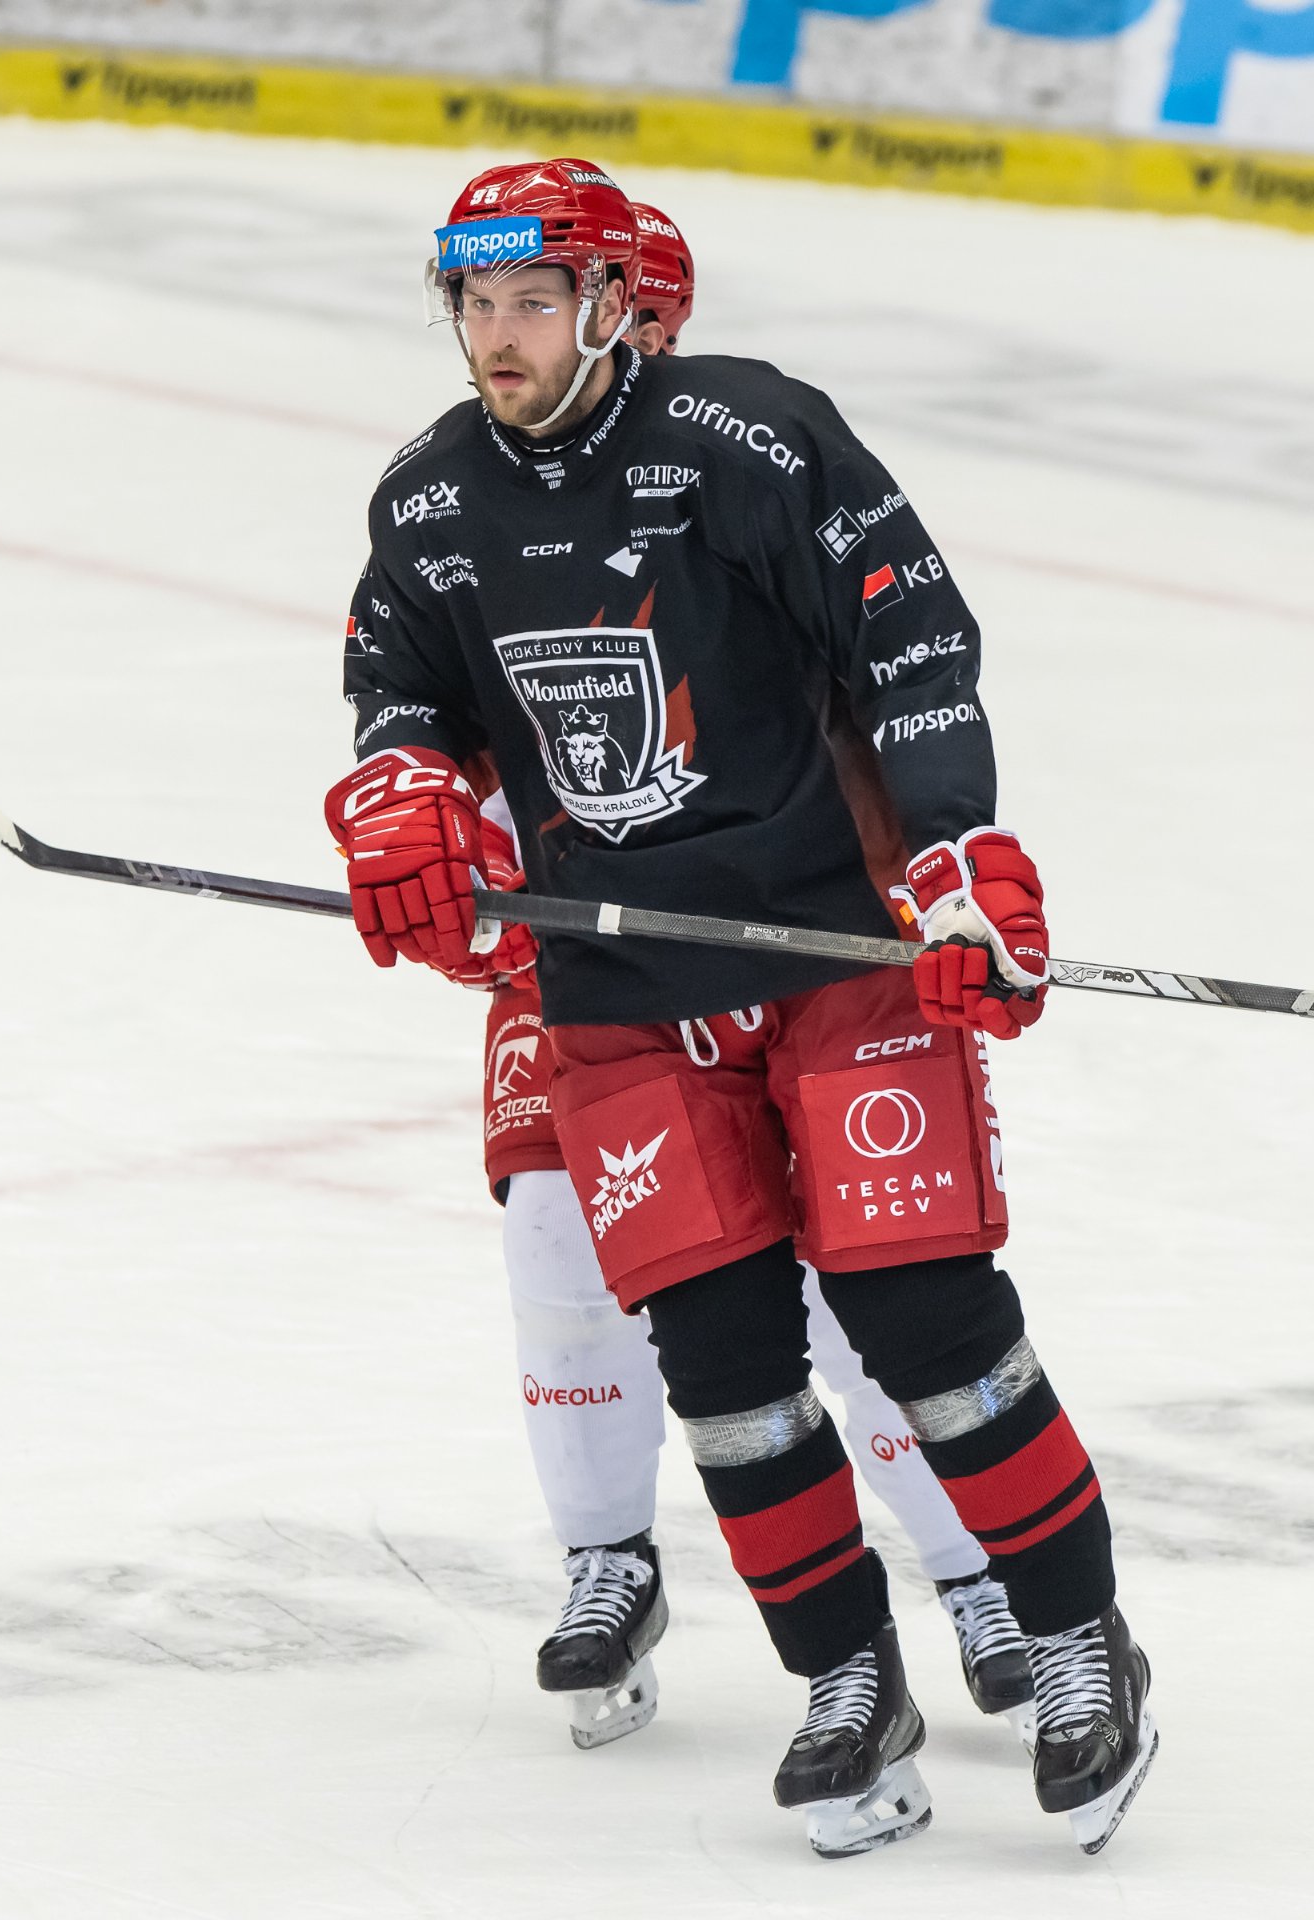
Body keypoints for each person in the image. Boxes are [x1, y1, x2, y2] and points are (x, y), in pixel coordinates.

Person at [325, 157, 1156, 1859]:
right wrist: (400, 795)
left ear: (610, 305)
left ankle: (1083, 1646)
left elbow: (914, 647)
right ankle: (847, 1681)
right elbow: (399, 685)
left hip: (828, 949)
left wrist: (955, 856)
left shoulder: (749, 436)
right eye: (475, 303)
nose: (498, 334)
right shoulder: (425, 500)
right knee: (724, 1371)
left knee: (929, 1324)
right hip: (622, 985)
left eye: (532, 299)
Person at [463, 201, 1033, 1755]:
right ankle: (607, 1560)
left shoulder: (743, 477)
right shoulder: (486, 503)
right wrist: (452, 851)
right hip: (593, 958)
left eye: (642, 324)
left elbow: (903, 683)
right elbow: (461, 717)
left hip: (811, 952)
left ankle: (977, 1576)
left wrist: (945, 874)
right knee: (558, 1242)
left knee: (867, 1288)